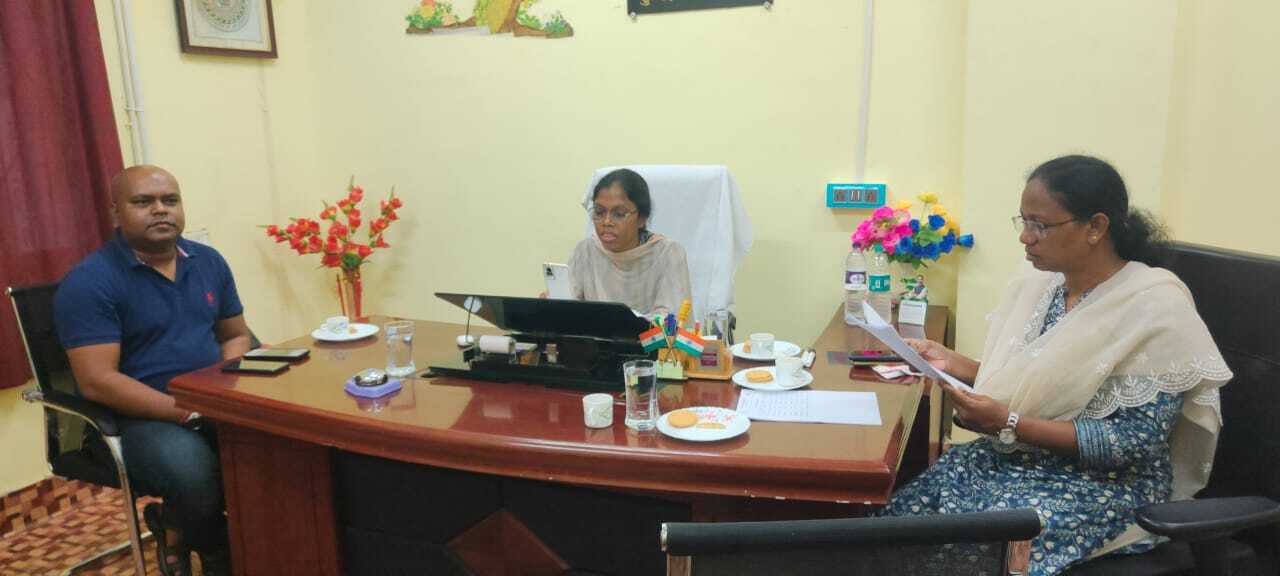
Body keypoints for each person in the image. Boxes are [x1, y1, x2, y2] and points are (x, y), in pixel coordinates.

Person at [878, 155, 1232, 575]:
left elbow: (1133, 442)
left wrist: (1009, 423)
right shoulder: (1044, 288)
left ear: (1095, 227)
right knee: (896, 526)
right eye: (1023, 221)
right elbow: (1045, 383)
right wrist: (956, 364)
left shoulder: (1154, 305)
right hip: (1016, 461)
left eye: (1040, 225)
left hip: (1102, 486)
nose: (1025, 237)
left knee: (979, 546)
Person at [54, 165, 250, 576]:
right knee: (192, 472)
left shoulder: (208, 261)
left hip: (207, 400)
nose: (160, 210)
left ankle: (186, 524)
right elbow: (98, 382)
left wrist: (225, 390)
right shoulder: (90, 282)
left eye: (170, 200)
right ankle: (216, 551)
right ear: (115, 213)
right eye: (143, 202)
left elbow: (235, 335)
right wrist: (188, 411)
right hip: (133, 418)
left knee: (280, 444)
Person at [568, 168, 692, 315]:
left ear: (641, 219)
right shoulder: (585, 251)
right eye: (599, 212)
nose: (606, 222)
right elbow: (568, 308)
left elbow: (671, 318)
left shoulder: (667, 254)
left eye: (619, 214)